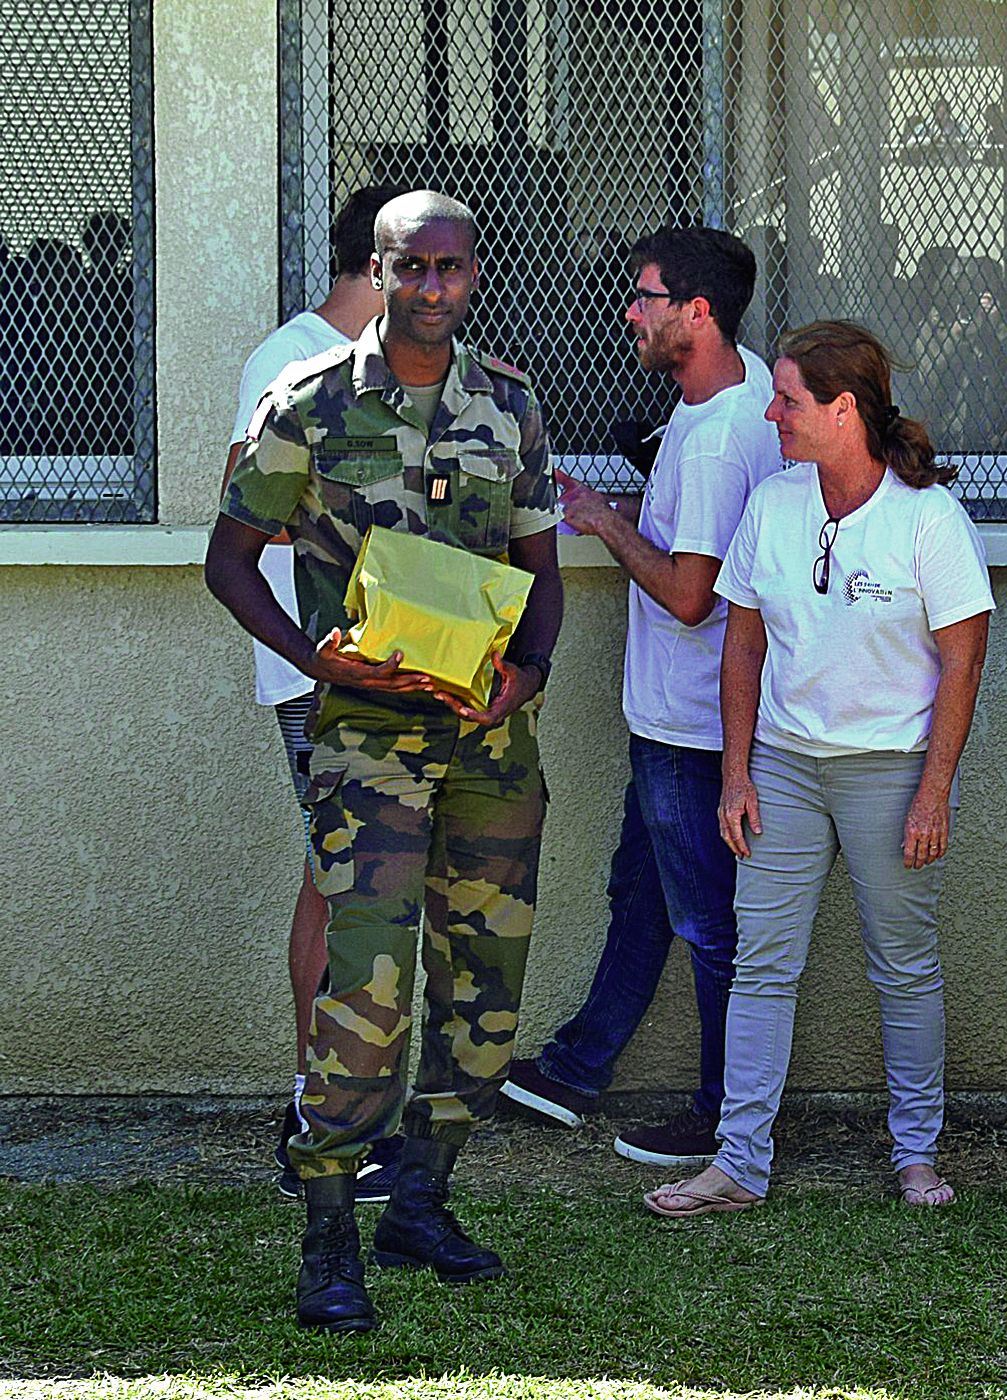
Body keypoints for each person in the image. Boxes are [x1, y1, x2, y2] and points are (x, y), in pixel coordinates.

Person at [204, 190, 564, 1332]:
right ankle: (329, 1238)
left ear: (473, 273)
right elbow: (228, 560)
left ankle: (421, 1203)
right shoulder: (308, 402)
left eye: (451, 268)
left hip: (490, 743)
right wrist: (311, 659)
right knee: (365, 990)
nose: (432, 288)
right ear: (379, 269)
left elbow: (540, 570)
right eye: (412, 268)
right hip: (367, 749)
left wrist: (530, 672)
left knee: (484, 990)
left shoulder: (508, 404)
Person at [641, 320, 994, 1218]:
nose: (773, 414)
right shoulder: (774, 503)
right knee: (761, 963)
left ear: (844, 410)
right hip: (785, 767)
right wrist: (737, 771)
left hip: (891, 770)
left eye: (788, 400)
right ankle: (738, 1162)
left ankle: (916, 1155)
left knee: (903, 966)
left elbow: (963, 662)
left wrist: (933, 791)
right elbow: (742, 643)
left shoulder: (928, 518)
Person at [501, 227, 783, 1169]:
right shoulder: (728, 395)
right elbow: (695, 540)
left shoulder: (717, 441)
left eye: (646, 297)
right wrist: (614, 510)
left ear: (695, 313)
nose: (630, 312)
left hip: (692, 726)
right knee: (642, 897)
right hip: (676, 719)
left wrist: (601, 524)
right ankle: (574, 1068)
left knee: (707, 924)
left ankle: (724, 1114)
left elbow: (691, 596)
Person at [222, 183, 405, 1204]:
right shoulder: (290, 360)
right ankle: (323, 1125)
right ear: (379, 267)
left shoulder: (397, 363)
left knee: (333, 877)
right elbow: (242, 501)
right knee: (347, 881)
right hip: (317, 668)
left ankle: (329, 1106)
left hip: (387, 667)